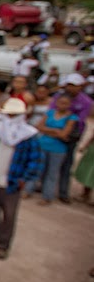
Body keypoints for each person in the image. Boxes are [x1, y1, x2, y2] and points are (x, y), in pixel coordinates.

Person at [0, 98, 42, 259]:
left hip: (12, 181)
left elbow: (35, 160)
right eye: (9, 115)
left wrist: (25, 179)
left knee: (8, 214)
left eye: (15, 115)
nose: (11, 118)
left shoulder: (29, 135)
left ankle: (3, 244)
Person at [53, 73, 92, 203]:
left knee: (67, 163)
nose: (70, 88)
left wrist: (65, 131)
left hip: (71, 137)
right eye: (69, 85)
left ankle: (63, 192)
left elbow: (79, 121)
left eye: (73, 85)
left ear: (80, 86)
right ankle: (45, 188)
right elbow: (51, 113)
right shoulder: (58, 97)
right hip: (55, 133)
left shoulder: (86, 102)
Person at [36, 93, 79, 205]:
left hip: (58, 149)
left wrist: (47, 130)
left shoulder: (72, 117)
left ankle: (47, 196)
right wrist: (55, 131)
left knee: (52, 173)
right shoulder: (50, 113)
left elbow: (64, 134)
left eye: (65, 103)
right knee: (38, 169)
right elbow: (39, 126)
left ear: (70, 105)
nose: (62, 105)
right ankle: (29, 189)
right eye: (60, 102)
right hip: (43, 145)